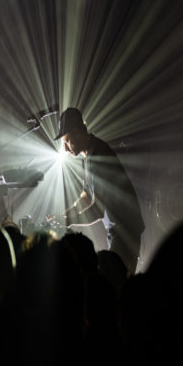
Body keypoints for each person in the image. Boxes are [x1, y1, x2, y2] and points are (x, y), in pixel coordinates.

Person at [54, 107, 145, 275]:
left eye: (66, 141)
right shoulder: (87, 155)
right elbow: (86, 195)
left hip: (126, 231)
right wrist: (66, 213)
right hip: (117, 230)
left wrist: (68, 220)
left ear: (77, 133)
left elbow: (97, 210)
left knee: (114, 282)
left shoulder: (99, 155)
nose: (65, 149)